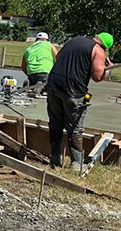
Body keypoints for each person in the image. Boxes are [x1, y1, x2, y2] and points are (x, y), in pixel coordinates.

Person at [46, 32, 113, 172]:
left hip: (53, 86)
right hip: (73, 91)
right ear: (105, 47)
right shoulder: (98, 51)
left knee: (55, 123)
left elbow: (58, 57)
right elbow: (97, 76)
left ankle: (55, 158)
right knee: (75, 128)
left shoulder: (73, 40)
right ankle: (76, 164)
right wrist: (108, 70)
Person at [21, 32, 58, 96]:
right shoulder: (49, 45)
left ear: (36, 39)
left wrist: (30, 73)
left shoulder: (29, 49)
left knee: (34, 81)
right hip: (45, 72)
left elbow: (23, 67)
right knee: (50, 85)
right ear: (46, 39)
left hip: (31, 74)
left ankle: (29, 84)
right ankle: (41, 87)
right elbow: (58, 58)